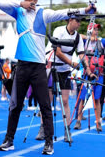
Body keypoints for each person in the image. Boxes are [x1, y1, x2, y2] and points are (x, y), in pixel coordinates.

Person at [0, 0, 94, 155]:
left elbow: (64, 12)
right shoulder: (18, 11)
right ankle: (9, 140)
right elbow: (0, 3)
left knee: (45, 105)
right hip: (22, 66)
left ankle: (49, 143)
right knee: (15, 105)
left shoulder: (44, 13)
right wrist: (22, 4)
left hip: (39, 68)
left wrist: (85, 10)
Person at [35, 15, 95, 143]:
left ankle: (67, 131)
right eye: (77, 21)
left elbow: (81, 55)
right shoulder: (59, 31)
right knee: (48, 100)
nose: (79, 24)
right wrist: (71, 63)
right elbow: (58, 52)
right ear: (70, 20)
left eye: (80, 22)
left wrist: (89, 71)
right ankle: (43, 129)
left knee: (65, 101)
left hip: (65, 71)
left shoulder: (78, 37)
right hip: (51, 67)